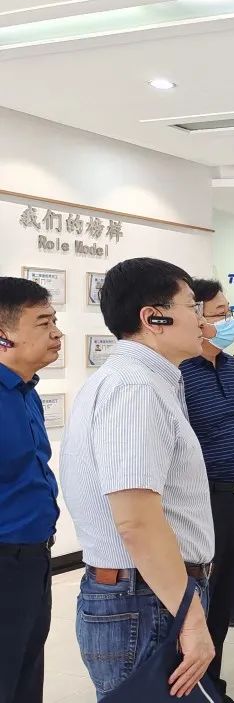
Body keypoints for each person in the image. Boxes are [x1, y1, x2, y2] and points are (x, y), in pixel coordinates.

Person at [60, 258, 217, 699]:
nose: (203, 321)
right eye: (193, 306)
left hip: (150, 591)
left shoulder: (145, 381)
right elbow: (137, 520)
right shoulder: (135, 389)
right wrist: (190, 618)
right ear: (153, 318)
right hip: (146, 597)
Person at [179, 280, 234, 702]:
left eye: (230, 312)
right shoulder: (179, 373)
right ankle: (192, 687)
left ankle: (213, 683)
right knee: (199, 598)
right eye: (220, 313)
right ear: (196, 317)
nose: (228, 320)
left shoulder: (231, 366)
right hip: (201, 499)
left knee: (224, 595)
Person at [0, 278, 62, 703]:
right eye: (43, 323)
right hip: (4, 558)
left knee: (26, 674)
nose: (57, 333)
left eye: (54, 320)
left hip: (35, 558)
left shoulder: (26, 391)